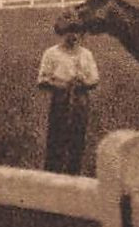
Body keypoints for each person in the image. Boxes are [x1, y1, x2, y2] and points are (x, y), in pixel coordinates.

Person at [37, 16, 101, 175]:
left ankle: (73, 178)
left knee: (77, 142)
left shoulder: (86, 54)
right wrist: (61, 85)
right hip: (60, 101)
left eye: (77, 32)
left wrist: (83, 83)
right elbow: (42, 80)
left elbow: (94, 79)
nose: (73, 36)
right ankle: (51, 178)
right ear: (62, 32)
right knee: (56, 141)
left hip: (80, 102)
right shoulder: (51, 53)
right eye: (69, 31)